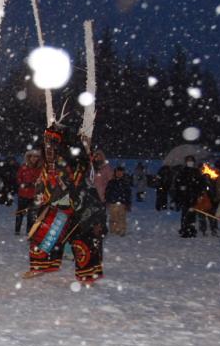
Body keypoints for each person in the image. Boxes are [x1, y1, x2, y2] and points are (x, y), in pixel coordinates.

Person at [24, 121, 106, 283]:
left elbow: (77, 181)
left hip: (77, 207)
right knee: (43, 233)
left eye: (52, 142)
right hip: (56, 207)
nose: (49, 147)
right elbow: (44, 184)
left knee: (82, 239)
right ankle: (40, 266)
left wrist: (66, 190)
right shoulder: (48, 163)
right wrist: (42, 197)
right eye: (47, 142)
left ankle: (87, 274)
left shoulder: (73, 160)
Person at [173, 156, 205, 238]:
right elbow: (177, 183)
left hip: (194, 196)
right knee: (185, 213)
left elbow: (201, 184)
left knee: (192, 214)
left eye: (191, 161)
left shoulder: (196, 171)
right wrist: (181, 189)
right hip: (184, 196)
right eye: (188, 160)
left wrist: (200, 193)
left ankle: (191, 229)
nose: (190, 162)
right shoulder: (182, 171)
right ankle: (184, 229)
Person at [15, 149, 42, 235]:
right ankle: (17, 230)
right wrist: (23, 184)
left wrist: (36, 184)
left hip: (34, 195)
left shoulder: (40, 168)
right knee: (20, 212)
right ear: (29, 157)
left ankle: (29, 231)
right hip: (23, 193)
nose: (34, 158)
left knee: (32, 214)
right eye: (32, 156)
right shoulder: (24, 167)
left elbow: (42, 180)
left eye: (36, 157)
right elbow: (18, 177)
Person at [105, 166, 132, 236]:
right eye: (118, 172)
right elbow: (107, 192)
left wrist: (128, 203)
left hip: (122, 203)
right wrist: (107, 200)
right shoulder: (111, 182)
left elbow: (128, 193)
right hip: (113, 203)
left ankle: (121, 231)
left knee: (121, 218)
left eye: (121, 172)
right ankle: (113, 231)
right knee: (113, 217)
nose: (119, 174)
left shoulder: (125, 183)